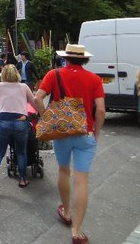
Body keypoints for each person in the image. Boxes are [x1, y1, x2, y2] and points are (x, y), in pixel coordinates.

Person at [34, 44, 105, 244]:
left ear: (66, 58)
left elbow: (37, 98)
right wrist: (96, 132)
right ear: (85, 59)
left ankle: (66, 212)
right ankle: (77, 231)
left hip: (62, 133)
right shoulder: (94, 79)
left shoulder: (53, 74)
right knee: (81, 180)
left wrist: (47, 118)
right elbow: (100, 111)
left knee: (63, 171)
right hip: (85, 133)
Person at [0, 64, 44, 192]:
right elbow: (34, 102)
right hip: (20, 122)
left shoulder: (0, 86)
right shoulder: (23, 87)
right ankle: (23, 179)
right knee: (21, 151)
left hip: (4, 122)